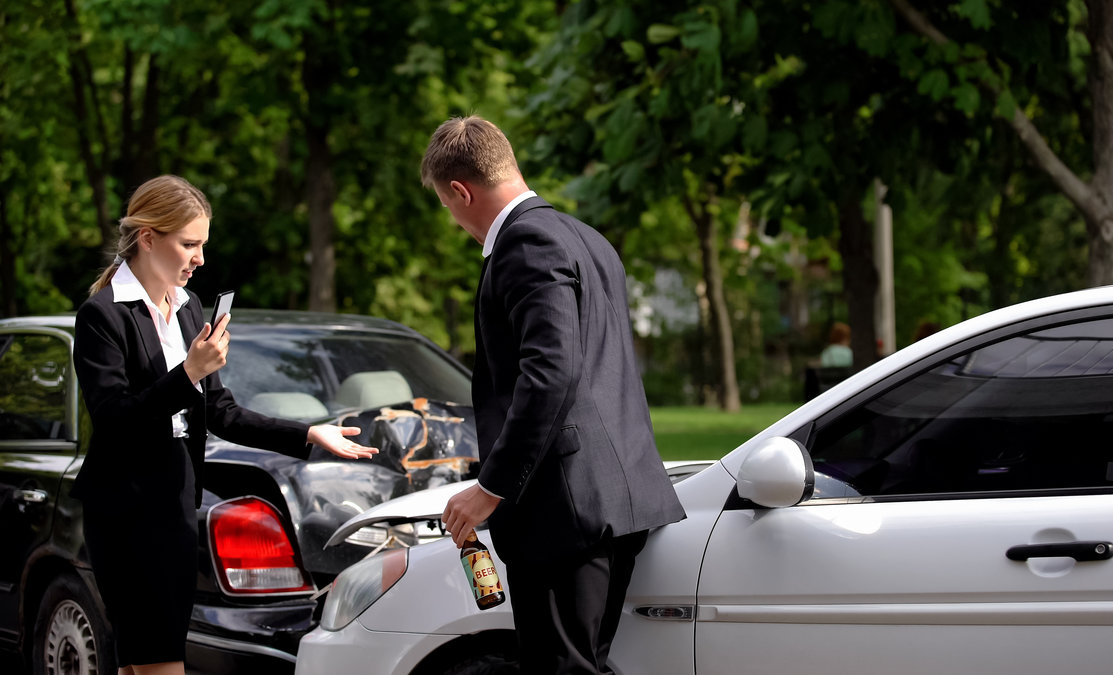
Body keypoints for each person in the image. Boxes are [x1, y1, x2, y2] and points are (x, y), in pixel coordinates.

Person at [71, 175, 378, 675]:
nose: (200, 258)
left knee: (139, 664)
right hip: (125, 511)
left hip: (173, 501)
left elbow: (222, 412)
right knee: (159, 663)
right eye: (189, 244)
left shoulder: (189, 308)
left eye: (203, 245)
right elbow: (115, 419)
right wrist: (189, 371)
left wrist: (306, 433)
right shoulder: (102, 315)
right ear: (148, 237)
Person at [424, 116, 686, 674]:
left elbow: (552, 374)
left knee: (561, 668)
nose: (455, 220)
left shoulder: (525, 243)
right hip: (609, 499)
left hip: (563, 508)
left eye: (448, 206)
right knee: (580, 664)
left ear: (460, 191)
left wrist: (490, 487)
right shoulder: (584, 235)